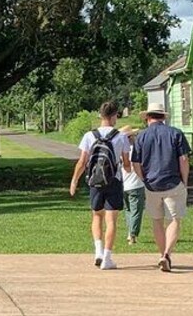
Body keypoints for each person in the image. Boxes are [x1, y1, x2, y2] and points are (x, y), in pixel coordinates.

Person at [69, 101, 132, 270]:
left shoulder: (89, 136)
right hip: (114, 180)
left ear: (100, 116)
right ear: (113, 116)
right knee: (111, 220)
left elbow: (82, 162)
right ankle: (107, 257)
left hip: (95, 181)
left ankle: (97, 251)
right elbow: (126, 163)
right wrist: (128, 168)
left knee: (97, 216)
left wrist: (74, 181)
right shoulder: (121, 137)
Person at [131, 102, 191, 272]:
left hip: (151, 184)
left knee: (156, 220)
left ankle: (161, 254)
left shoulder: (141, 136)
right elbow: (184, 160)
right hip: (173, 182)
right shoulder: (175, 133)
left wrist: (144, 179)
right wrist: (185, 180)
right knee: (174, 219)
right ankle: (166, 254)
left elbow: (136, 163)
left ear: (148, 117)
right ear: (163, 117)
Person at [119, 125, 145, 245]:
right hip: (136, 184)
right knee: (136, 211)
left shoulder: (120, 151)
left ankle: (130, 231)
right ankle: (133, 233)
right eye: (134, 135)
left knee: (128, 210)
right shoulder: (135, 151)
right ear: (130, 137)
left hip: (123, 184)